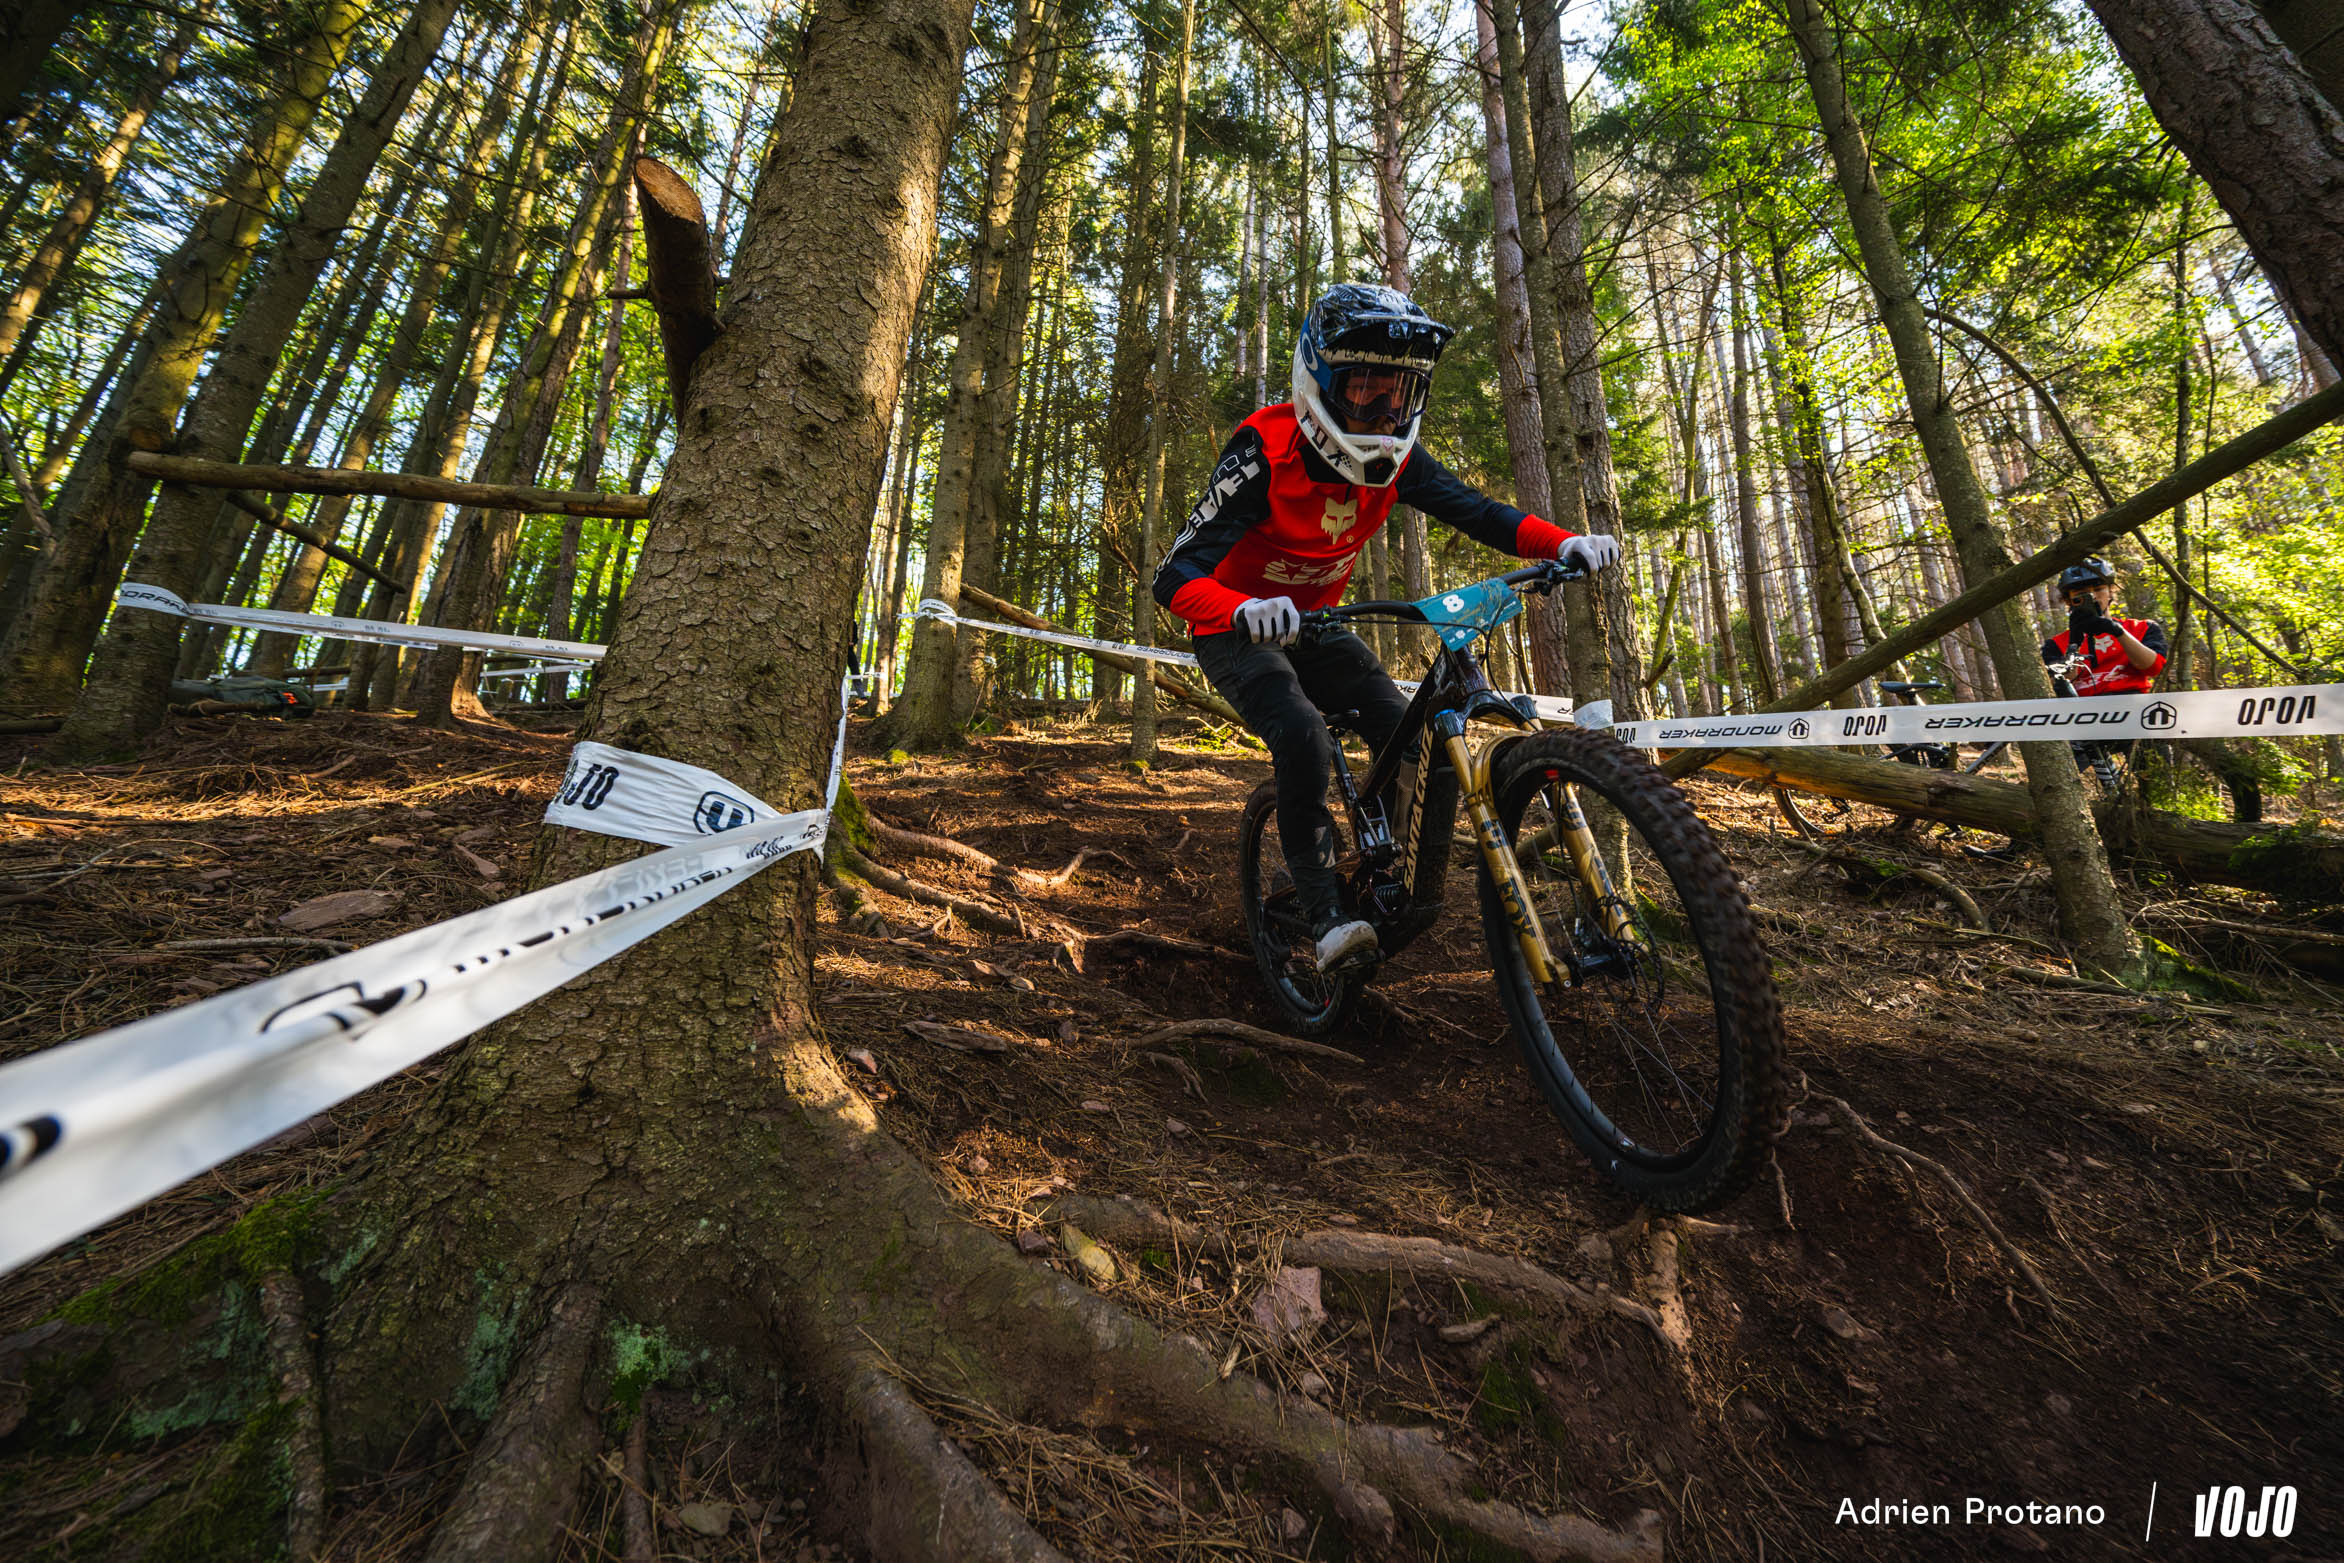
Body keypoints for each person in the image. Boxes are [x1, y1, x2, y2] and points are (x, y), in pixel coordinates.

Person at [1152, 283, 1621, 972]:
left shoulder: (1398, 460)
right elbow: (1173, 575)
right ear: (1318, 383)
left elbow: (1477, 511)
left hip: (1317, 622)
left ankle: (1383, 872)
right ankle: (1325, 916)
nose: (1382, 409)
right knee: (1302, 732)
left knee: (1403, 729)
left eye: (1397, 393)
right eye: (1363, 389)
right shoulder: (1264, 448)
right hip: (1236, 628)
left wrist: (1562, 542)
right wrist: (1241, 608)